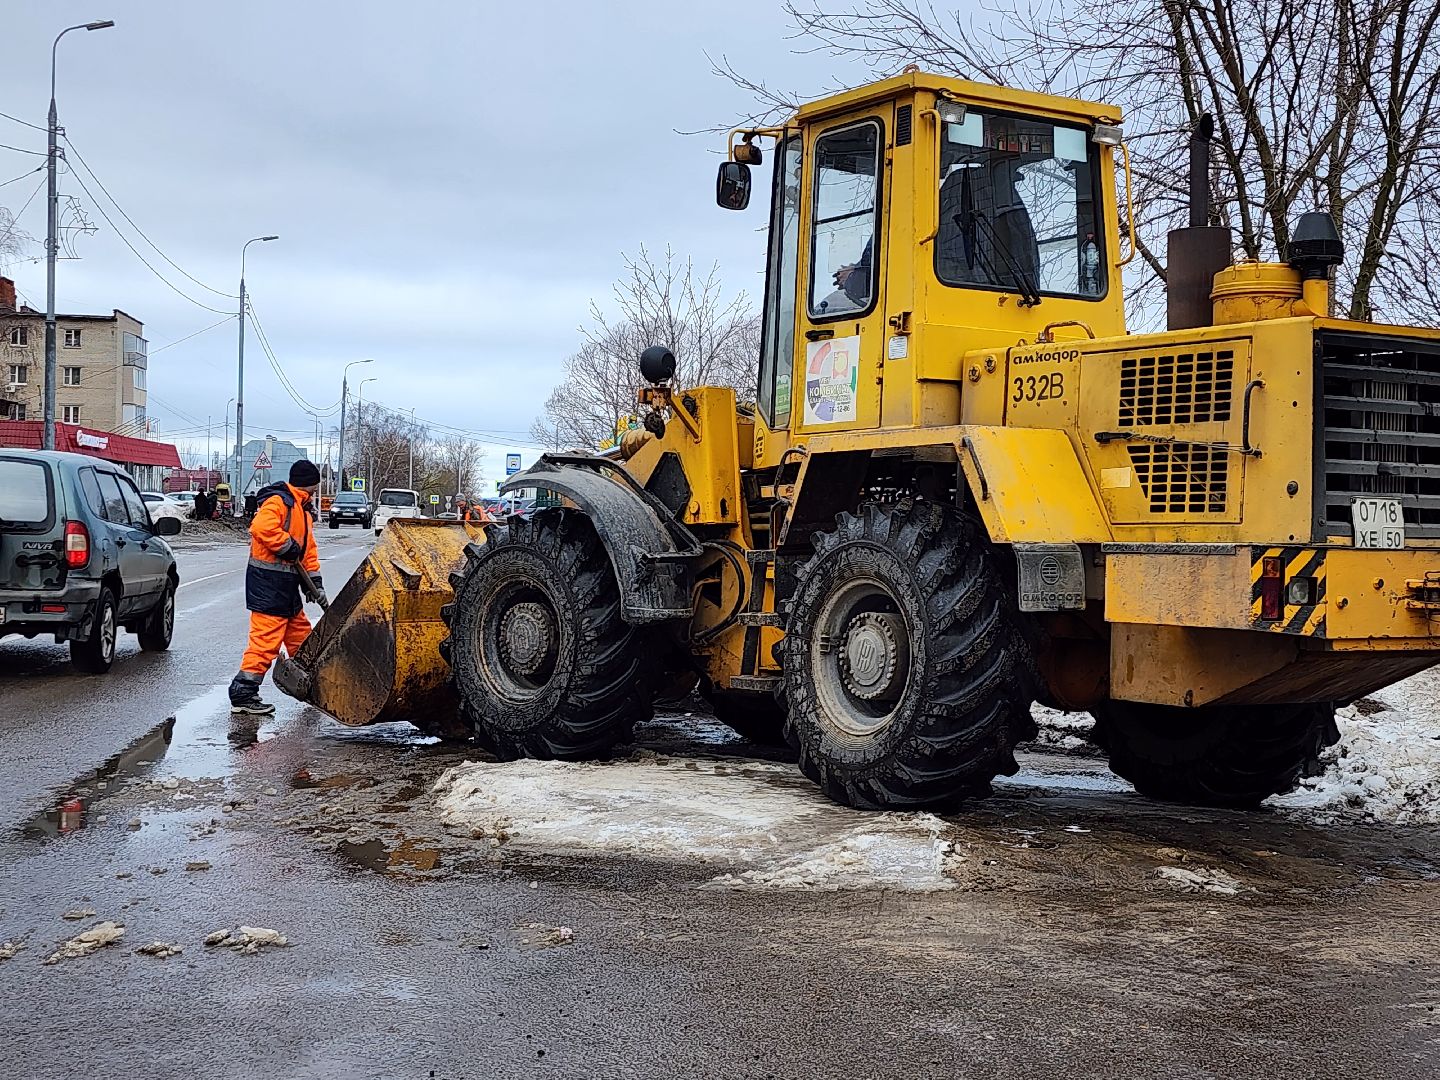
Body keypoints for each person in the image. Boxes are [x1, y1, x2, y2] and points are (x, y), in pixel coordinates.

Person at [227, 460, 327, 716]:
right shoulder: (279, 502)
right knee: (265, 641)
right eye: (315, 487)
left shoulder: (302, 510)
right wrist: (287, 546)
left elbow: (308, 551)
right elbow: (261, 528)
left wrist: (314, 582)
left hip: (286, 586)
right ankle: (243, 693)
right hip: (268, 585)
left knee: (301, 636)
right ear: (307, 484)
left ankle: (312, 682)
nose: (316, 492)